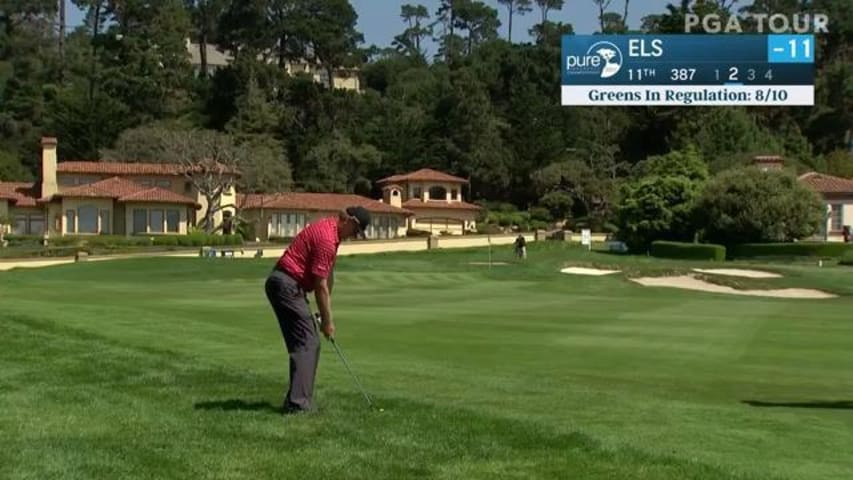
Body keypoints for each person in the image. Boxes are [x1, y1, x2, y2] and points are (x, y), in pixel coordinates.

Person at [264, 206, 371, 414]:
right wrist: (329, 323)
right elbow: (320, 286)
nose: (354, 237)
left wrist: (323, 315)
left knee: (307, 341)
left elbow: (328, 276)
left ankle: (297, 401)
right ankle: (298, 405)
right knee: (307, 342)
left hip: (287, 285)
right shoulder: (326, 240)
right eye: (356, 231)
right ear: (349, 221)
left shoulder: (331, 233)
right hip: (286, 285)